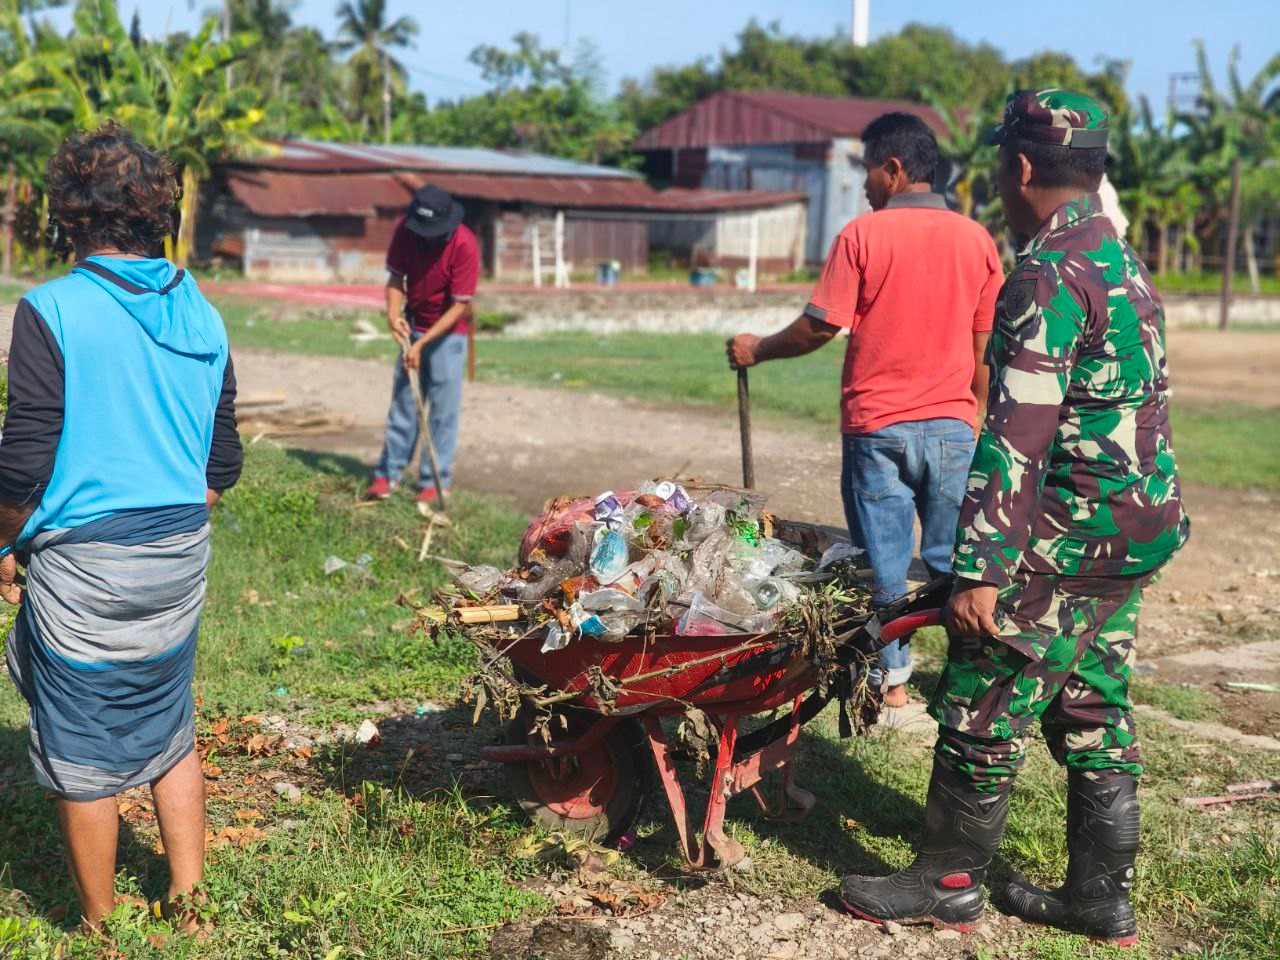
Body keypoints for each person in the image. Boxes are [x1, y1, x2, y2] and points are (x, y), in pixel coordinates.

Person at [838, 90, 1188, 946]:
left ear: (1020, 166)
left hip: (1063, 537)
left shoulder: (1047, 269)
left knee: (981, 702)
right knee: (1092, 705)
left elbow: (1018, 430)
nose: (997, 180)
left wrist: (983, 570)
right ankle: (1099, 898)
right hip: (1133, 528)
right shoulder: (1119, 259)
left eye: (1000, 164)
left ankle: (946, 883)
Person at [0, 123, 243, 933]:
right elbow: (222, 460)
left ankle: (102, 931)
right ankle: (192, 904)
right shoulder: (200, 310)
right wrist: (167, 514)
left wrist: (4, 544)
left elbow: (23, 464)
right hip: (180, 555)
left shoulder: (52, 310)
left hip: (88, 567)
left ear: (69, 214)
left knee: (82, 744)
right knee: (170, 723)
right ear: (156, 211)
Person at [727, 113, 1003, 707]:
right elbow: (985, 344)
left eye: (869, 171)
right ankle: (968, 682)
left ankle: (891, 681)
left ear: (894, 169)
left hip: (878, 429)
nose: (865, 185)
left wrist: (757, 349)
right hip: (953, 429)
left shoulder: (863, 236)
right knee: (953, 563)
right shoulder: (976, 240)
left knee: (882, 564)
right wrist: (975, 415)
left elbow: (818, 328)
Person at [364, 184, 479, 505]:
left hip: (449, 334)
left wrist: (422, 343)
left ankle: (434, 481)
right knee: (404, 402)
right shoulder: (406, 230)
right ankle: (388, 473)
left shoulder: (464, 244)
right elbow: (395, 278)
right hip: (413, 325)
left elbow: (460, 306)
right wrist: (392, 315)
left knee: (442, 411)